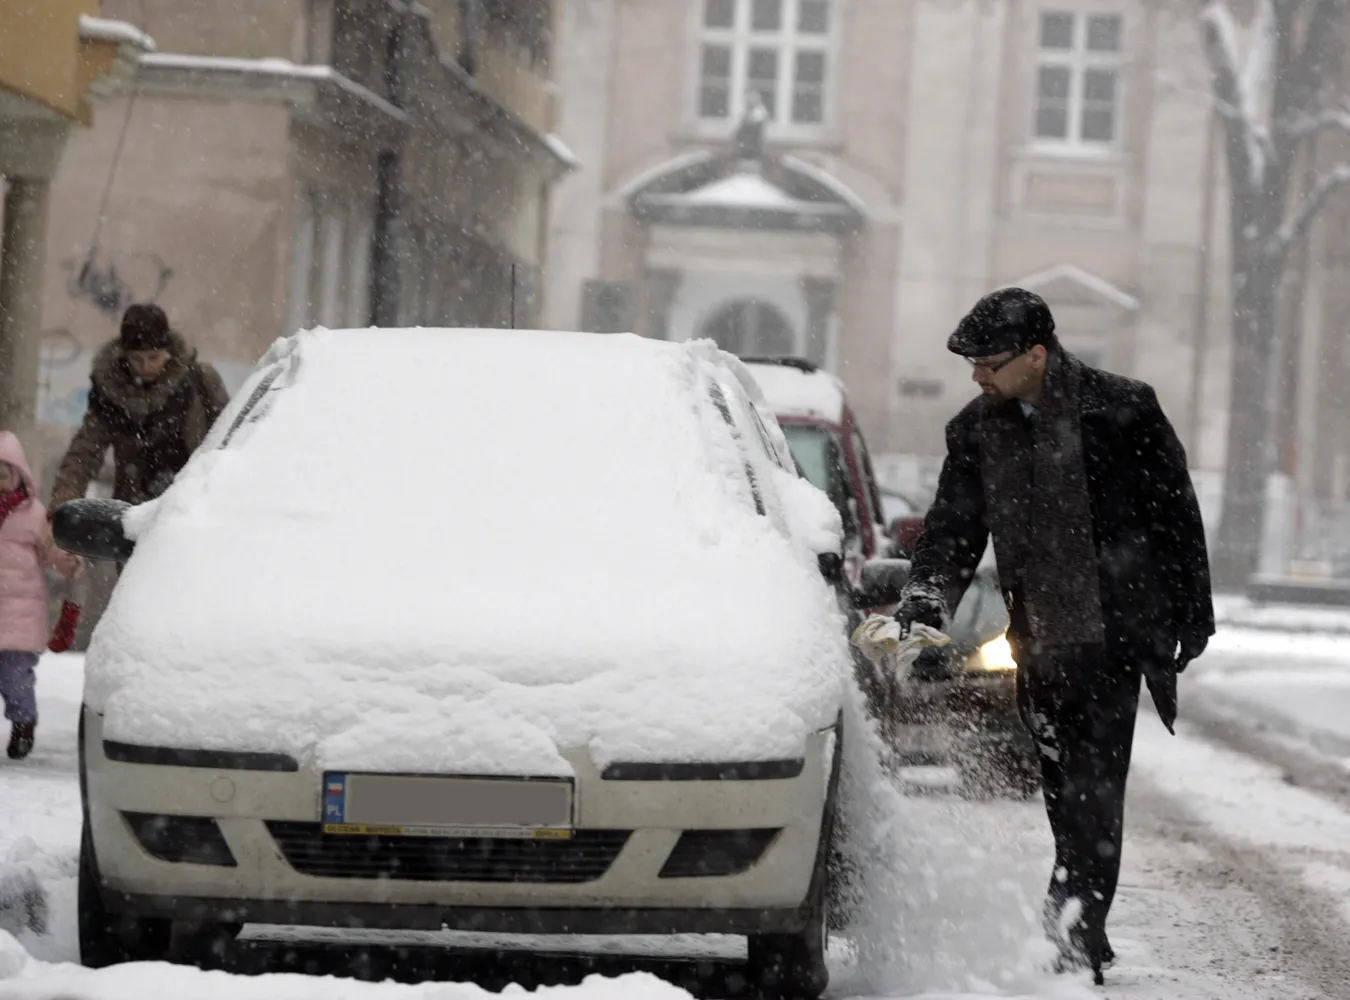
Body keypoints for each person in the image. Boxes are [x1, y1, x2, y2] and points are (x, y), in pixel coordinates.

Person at [892, 288, 1213, 984]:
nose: (978, 375)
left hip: (1113, 637)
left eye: (989, 362)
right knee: (1064, 789)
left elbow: (1175, 514)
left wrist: (1192, 610)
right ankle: (1077, 913)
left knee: (1097, 788)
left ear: (1037, 354)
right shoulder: (976, 430)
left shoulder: (1123, 410)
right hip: (1037, 638)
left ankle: (1074, 925)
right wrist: (925, 597)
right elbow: (953, 528)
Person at [50, 303, 230, 511]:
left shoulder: (200, 382)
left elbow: (230, 441)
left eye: (154, 357)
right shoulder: (111, 394)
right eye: (137, 359)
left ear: (168, 352)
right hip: (133, 513)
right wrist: (60, 509)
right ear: (124, 356)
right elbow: (84, 454)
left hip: (194, 506)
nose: (146, 367)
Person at [0, 432, 84, 759]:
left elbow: (52, 550)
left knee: (14, 678)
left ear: (18, 474)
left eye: (3, 475)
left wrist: (69, 560)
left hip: (20, 617)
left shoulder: (33, 515)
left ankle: (23, 722)